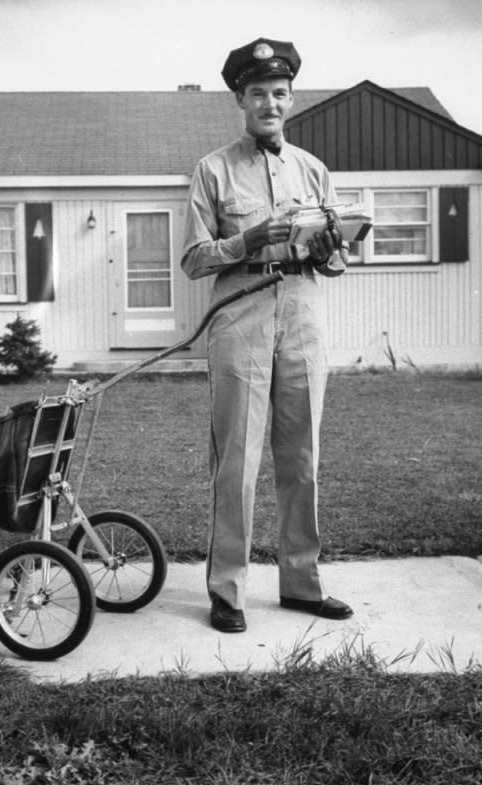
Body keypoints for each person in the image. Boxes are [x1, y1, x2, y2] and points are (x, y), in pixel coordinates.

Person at [181, 37, 354, 633]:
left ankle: (302, 585)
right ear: (240, 98)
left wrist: (332, 248)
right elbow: (194, 259)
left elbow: (333, 263)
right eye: (259, 94)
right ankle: (227, 591)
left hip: (304, 313)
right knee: (238, 460)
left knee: (301, 458)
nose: (270, 103)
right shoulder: (213, 169)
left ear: (290, 98)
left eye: (280, 94)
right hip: (240, 317)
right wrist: (250, 239)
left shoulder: (314, 170)